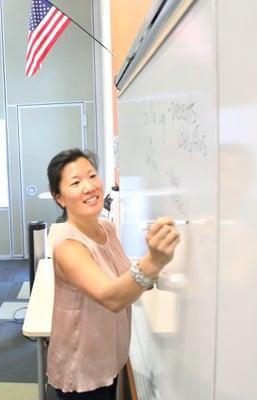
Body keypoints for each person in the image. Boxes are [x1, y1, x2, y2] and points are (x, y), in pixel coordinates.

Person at [45, 149, 180, 400]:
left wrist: (166, 273)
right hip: (82, 367)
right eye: (75, 183)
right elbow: (111, 297)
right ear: (59, 198)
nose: (89, 187)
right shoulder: (68, 246)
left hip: (108, 355)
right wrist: (153, 261)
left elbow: (123, 275)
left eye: (92, 176)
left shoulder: (106, 227)